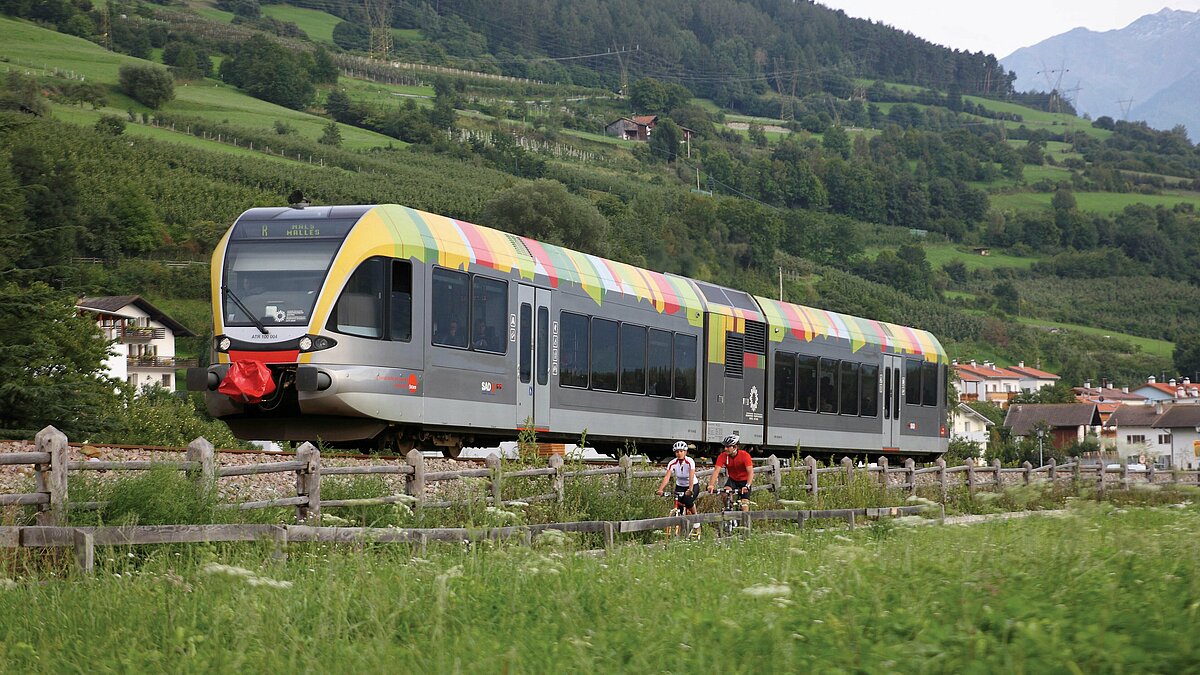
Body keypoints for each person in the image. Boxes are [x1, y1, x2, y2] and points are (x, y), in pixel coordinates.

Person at [656, 441, 700, 527]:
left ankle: (695, 517)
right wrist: (660, 489)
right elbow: (667, 477)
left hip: (692, 485)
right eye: (677, 452)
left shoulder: (690, 461)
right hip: (680, 486)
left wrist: (690, 490)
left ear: (685, 452)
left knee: (688, 501)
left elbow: (691, 477)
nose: (679, 453)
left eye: (681, 451)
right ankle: (680, 527)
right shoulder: (672, 463)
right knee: (678, 504)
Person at [707, 433, 753, 512]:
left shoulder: (745, 456)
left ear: (735, 447)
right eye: (725, 446)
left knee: (744, 506)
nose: (725, 449)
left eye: (728, 447)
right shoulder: (723, 456)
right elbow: (716, 472)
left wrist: (747, 485)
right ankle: (729, 510)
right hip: (733, 480)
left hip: (744, 481)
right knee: (725, 493)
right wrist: (711, 485)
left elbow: (751, 472)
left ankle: (745, 523)